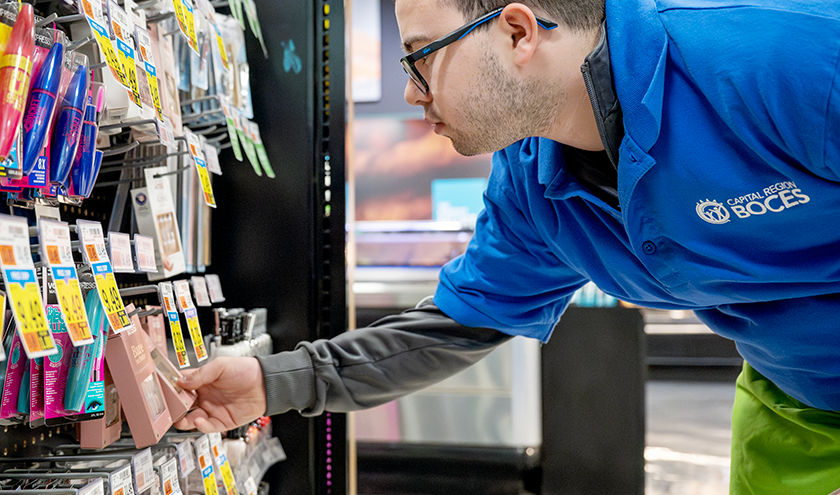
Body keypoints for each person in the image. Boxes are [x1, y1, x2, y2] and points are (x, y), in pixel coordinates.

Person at [175, 0, 840, 492]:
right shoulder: (534, 186)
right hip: (794, 402)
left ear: (518, 32)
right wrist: (271, 381)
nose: (411, 91)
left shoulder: (777, 61)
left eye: (421, 56)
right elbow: (459, 326)